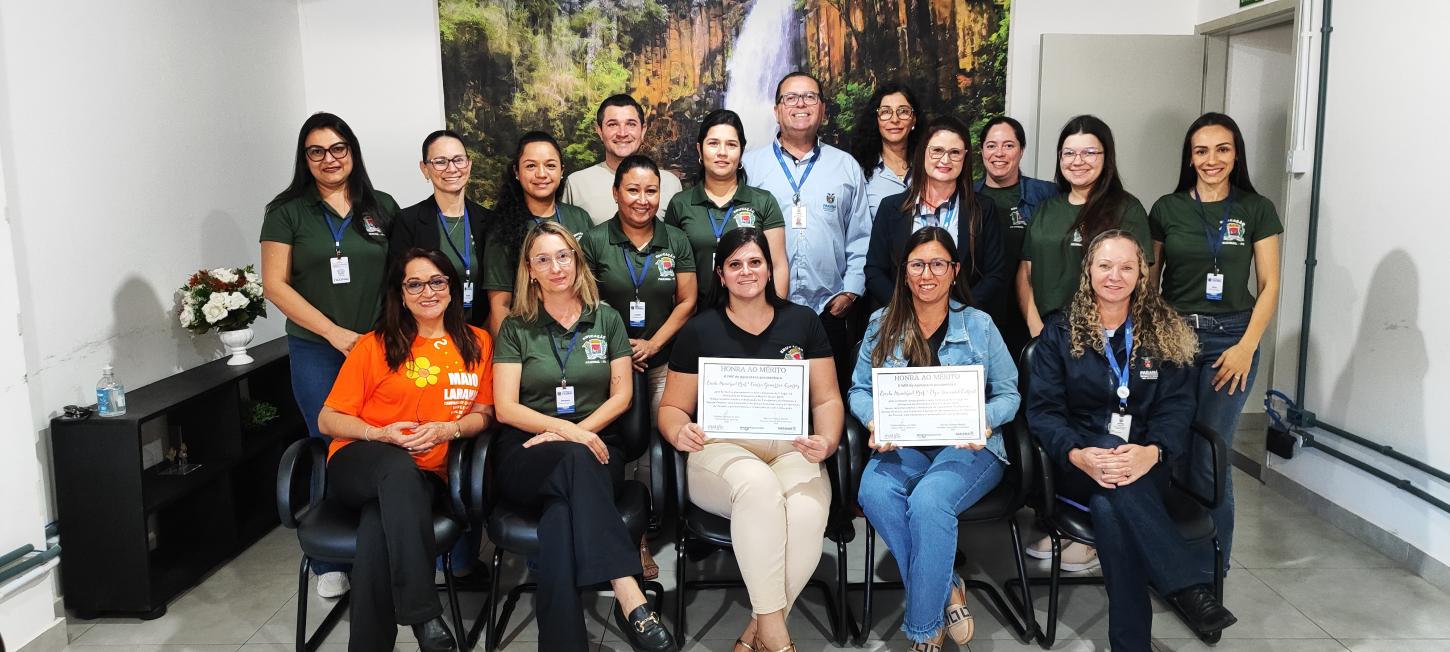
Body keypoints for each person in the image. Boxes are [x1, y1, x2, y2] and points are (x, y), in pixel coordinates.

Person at [1027, 230, 1236, 649]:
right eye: (1105, 265)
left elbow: (1177, 409)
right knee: (1106, 457)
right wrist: (1077, 453)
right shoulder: (1060, 332)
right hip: (1076, 468)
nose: (1115, 276)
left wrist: (1152, 451)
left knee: (1110, 505)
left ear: (1142, 273)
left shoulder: (1164, 331)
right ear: (1088, 271)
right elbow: (1043, 412)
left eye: (1126, 266)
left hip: (1145, 467)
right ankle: (1186, 586)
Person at [491, 221, 675, 652]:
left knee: (562, 512)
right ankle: (628, 591)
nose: (556, 267)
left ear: (576, 260)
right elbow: (506, 408)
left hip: (596, 448)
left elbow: (623, 395)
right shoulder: (517, 326)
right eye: (543, 259)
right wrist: (562, 431)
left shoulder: (605, 318)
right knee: (572, 463)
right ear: (529, 270)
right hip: (527, 451)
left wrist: (575, 434)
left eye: (563, 256)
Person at [657, 227, 843, 652]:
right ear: (720, 275)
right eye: (735, 264)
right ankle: (776, 639)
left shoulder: (802, 322)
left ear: (770, 267)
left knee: (808, 512)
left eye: (755, 261)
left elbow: (828, 397)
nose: (746, 272)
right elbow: (671, 409)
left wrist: (828, 441)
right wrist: (677, 429)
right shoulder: (700, 330)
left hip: (791, 448)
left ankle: (755, 630)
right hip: (721, 450)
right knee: (758, 489)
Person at [849, 226, 1020, 650]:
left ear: (954, 270)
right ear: (905, 272)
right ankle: (948, 588)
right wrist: (876, 422)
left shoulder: (979, 325)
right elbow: (858, 390)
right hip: (903, 447)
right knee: (874, 492)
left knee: (928, 501)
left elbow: (1009, 393)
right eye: (918, 264)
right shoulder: (880, 324)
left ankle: (924, 630)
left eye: (938, 264)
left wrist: (983, 419)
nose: (928, 274)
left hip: (966, 450)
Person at [317, 248, 495, 652]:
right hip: (359, 462)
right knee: (395, 468)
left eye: (436, 281)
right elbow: (328, 419)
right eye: (414, 283)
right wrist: (380, 435)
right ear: (401, 292)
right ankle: (423, 612)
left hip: (425, 477)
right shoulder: (375, 345)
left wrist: (449, 429)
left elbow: (485, 415)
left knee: (377, 524)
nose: (427, 291)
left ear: (452, 287)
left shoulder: (478, 343)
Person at [260, 112, 398, 598]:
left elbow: (398, 279)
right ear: (304, 158)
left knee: (380, 441)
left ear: (353, 151)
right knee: (326, 440)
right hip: (319, 347)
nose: (329, 159)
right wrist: (337, 334)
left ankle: (378, 538)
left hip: (379, 349)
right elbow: (274, 285)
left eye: (338, 148)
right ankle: (328, 560)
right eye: (316, 151)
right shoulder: (286, 211)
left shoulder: (381, 207)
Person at [1150, 112, 1282, 571]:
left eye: (1222, 149)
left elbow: (1270, 286)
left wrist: (1247, 346)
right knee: (1170, 444)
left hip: (1232, 339)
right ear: (1190, 157)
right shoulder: (1166, 208)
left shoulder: (1255, 208)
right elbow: (1149, 283)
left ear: (1236, 153)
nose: (1212, 160)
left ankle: (1211, 565)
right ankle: (1168, 553)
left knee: (1210, 451)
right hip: (1175, 336)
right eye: (1201, 151)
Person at [580, 154, 698, 581]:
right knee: (620, 445)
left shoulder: (675, 240)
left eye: (651, 191)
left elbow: (687, 300)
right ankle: (631, 539)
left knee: (654, 444)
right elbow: (585, 304)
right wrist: (621, 351)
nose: (642, 199)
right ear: (616, 193)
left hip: (664, 361)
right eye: (633, 189)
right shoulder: (594, 241)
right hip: (611, 365)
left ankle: (650, 524)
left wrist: (652, 344)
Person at [741, 71, 872, 393]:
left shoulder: (846, 167)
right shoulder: (749, 166)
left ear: (823, 109)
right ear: (776, 110)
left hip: (828, 308)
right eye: (791, 98)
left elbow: (861, 235)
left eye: (810, 97)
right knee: (770, 398)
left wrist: (851, 290)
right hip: (763, 306)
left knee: (827, 399)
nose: (801, 104)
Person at [1018, 115, 1154, 340]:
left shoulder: (1127, 209)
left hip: (1105, 330)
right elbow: (1025, 272)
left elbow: (1140, 278)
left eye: (1089, 153)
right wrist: (1036, 328)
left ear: (1106, 156)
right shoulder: (1046, 209)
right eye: (1069, 153)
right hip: (1049, 329)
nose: (1077, 161)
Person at [864, 115, 1008, 310]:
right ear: (923, 152)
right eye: (937, 151)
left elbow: (996, 274)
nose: (945, 160)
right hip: (902, 320)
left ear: (965, 157)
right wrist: (905, 311)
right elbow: (874, 271)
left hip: (962, 321)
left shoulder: (983, 209)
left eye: (955, 152)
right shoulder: (891, 208)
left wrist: (956, 312)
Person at [664, 109, 789, 305]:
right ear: (700, 149)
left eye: (731, 145)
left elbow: (779, 265)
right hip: (696, 319)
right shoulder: (680, 204)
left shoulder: (763, 202)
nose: (722, 152)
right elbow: (669, 270)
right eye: (713, 143)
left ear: (741, 152)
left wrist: (776, 317)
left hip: (752, 317)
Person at [480, 131, 593, 335]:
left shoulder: (579, 218)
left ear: (561, 171)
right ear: (516, 172)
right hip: (528, 338)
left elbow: (589, 285)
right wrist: (507, 358)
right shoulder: (503, 227)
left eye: (550, 165)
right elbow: (500, 305)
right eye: (531, 166)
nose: (541, 174)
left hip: (577, 334)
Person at [973, 116, 1060, 356]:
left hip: (1033, 313)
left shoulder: (1047, 195)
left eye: (1008, 145)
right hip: (981, 310)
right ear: (982, 151)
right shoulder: (967, 195)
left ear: (1021, 150)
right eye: (991, 145)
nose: (999, 153)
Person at [390, 130, 490, 328]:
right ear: (425, 169)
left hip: (481, 334)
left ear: (469, 165)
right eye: (440, 161)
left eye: (458, 160)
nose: (451, 168)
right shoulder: (408, 221)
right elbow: (397, 287)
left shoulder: (489, 221)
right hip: (426, 335)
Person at [563, 94, 683, 224]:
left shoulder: (670, 184)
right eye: (612, 124)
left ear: (643, 130)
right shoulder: (577, 185)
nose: (622, 133)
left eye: (631, 124)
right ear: (599, 131)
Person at [850, 83, 923, 219]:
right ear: (876, 120)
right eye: (885, 112)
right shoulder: (859, 173)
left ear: (914, 119)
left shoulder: (928, 167)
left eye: (903, 111)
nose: (894, 119)